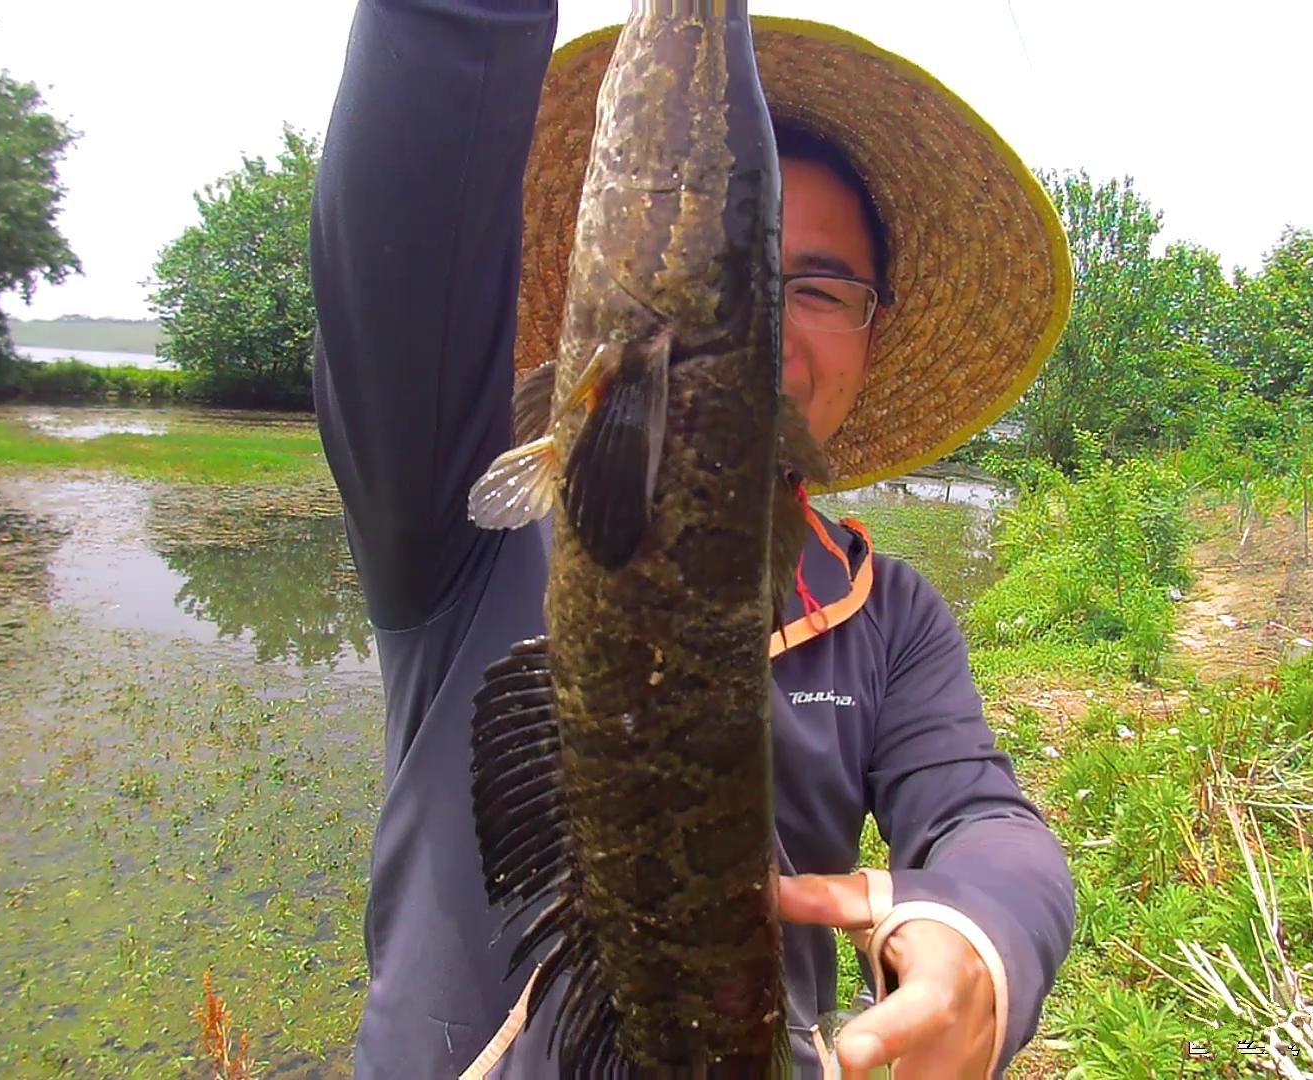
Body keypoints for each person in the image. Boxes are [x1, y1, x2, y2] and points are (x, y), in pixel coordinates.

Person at [310, 3, 1076, 1076]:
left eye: (820, 289)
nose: (768, 325)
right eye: (746, 267)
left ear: (874, 336)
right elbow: (407, 198)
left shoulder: (890, 615)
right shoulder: (459, 523)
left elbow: (986, 818)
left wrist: (985, 934)